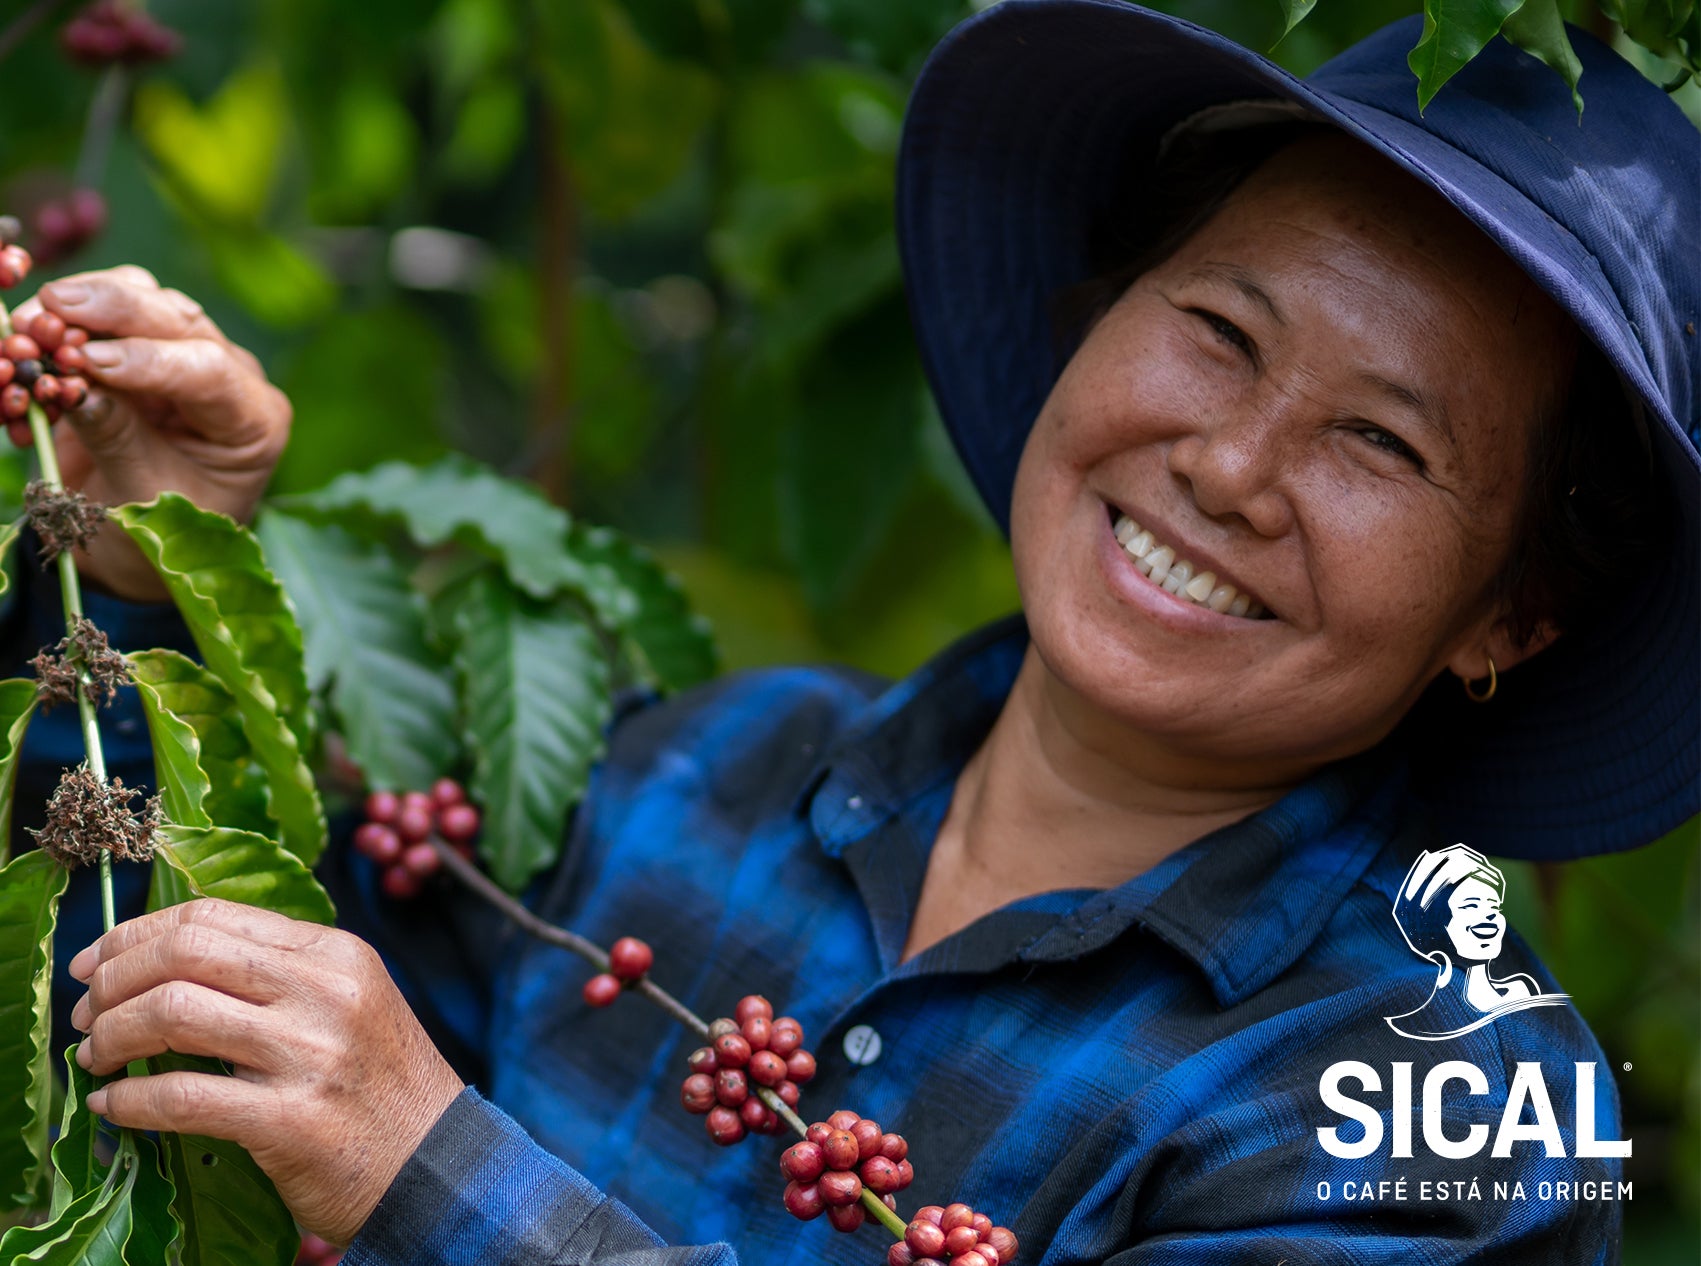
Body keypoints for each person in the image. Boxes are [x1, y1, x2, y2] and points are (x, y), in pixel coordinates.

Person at [12, 1, 1695, 1262]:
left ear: (1510, 613)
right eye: (1218, 331)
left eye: (1381, 442)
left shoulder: (1449, 1113)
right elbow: (133, 1023)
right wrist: (144, 581)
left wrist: (438, 1177)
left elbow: (394, 1135)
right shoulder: (711, 762)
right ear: (1095, 321)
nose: (1229, 468)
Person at [1385, 844, 1567, 1040]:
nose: (1489, 915)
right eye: (1471, 905)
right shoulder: (1418, 1022)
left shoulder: (1523, 988)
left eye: (1494, 906)